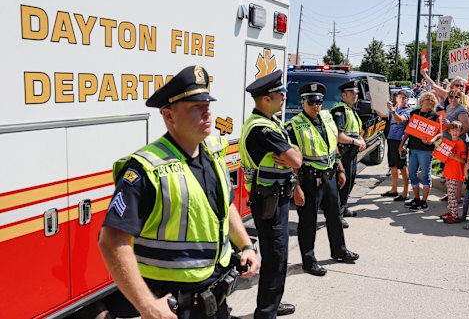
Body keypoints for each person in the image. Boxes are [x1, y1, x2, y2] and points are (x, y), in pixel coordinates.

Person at [98, 65, 260, 319]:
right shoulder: (146, 168)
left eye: (207, 105)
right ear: (169, 116)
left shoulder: (210, 154)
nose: (207, 112)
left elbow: (225, 206)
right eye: (196, 107)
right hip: (175, 308)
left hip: (215, 301)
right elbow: (111, 241)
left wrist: (246, 245)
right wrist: (147, 306)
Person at [240, 70, 303, 318]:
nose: (284, 98)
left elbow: (292, 156)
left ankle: (271, 304)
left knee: (277, 255)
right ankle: (266, 312)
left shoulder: (269, 123)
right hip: (269, 200)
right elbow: (297, 159)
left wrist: (291, 153)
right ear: (266, 98)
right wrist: (293, 154)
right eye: (280, 94)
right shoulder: (262, 129)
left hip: (274, 197)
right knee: (276, 257)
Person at [286, 82, 359, 277]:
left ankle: (339, 250)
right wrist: (297, 188)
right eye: (311, 102)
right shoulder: (294, 125)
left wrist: (341, 170)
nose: (316, 105)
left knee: (335, 216)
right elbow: (290, 160)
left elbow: (333, 146)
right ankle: (308, 261)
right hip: (309, 180)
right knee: (308, 223)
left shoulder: (327, 118)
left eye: (319, 101)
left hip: (330, 177)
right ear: (303, 102)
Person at [331, 80, 366, 227]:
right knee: (342, 184)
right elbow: (338, 135)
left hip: (351, 154)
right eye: (352, 93)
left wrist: (361, 139)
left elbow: (356, 131)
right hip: (343, 154)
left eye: (356, 93)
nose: (355, 96)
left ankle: (343, 208)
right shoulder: (340, 111)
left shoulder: (351, 110)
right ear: (344, 95)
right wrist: (355, 142)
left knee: (350, 182)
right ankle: (336, 216)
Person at [399, 92, 441, 211]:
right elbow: (408, 131)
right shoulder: (414, 113)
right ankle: (416, 199)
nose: (429, 102)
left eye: (432, 100)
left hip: (426, 150)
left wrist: (431, 140)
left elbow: (440, 133)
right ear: (421, 101)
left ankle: (424, 202)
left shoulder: (435, 115)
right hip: (413, 147)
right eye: (427, 99)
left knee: (425, 175)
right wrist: (402, 144)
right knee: (412, 173)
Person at [380, 90, 411, 202]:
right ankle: (394, 189)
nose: (401, 99)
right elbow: (384, 115)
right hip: (391, 140)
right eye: (399, 97)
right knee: (393, 165)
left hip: (400, 141)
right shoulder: (395, 109)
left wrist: (392, 111)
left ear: (407, 100)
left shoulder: (407, 110)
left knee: (402, 167)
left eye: (404, 98)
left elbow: (400, 120)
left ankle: (405, 192)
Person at [440, 122, 467, 224]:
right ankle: (450, 213)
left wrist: (454, 157)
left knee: (452, 196)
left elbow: (464, 160)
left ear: (460, 132)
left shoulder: (461, 144)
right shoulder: (448, 143)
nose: (455, 132)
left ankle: (454, 216)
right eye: (453, 130)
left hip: (455, 172)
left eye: (457, 130)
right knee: (450, 194)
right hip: (449, 171)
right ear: (449, 131)